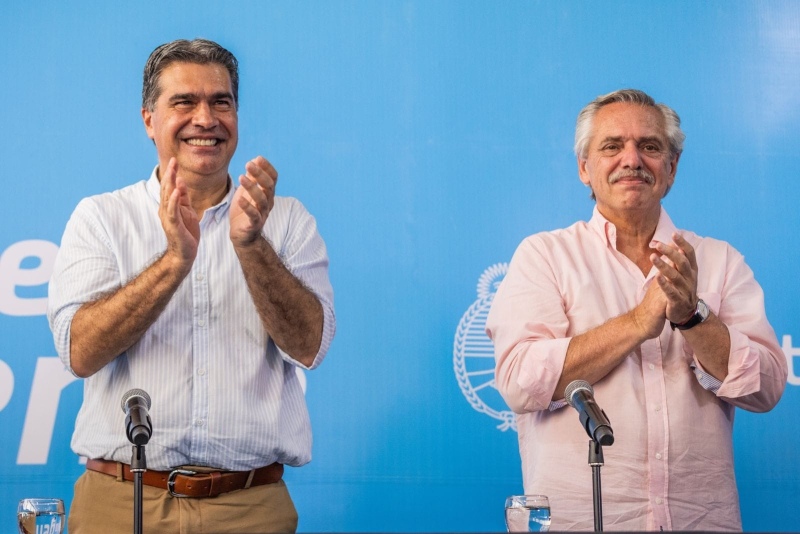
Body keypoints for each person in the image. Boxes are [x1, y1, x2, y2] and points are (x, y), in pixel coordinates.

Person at [47, 38, 335, 533]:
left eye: (221, 102)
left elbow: (310, 346)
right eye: (184, 102)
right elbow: (80, 351)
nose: (206, 118)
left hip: (250, 507)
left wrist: (251, 246)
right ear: (149, 120)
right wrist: (175, 261)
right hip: (122, 500)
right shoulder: (101, 217)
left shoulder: (286, 221)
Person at [486, 89, 787, 531]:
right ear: (584, 168)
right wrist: (636, 323)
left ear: (671, 168)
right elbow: (519, 380)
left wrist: (691, 317)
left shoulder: (720, 260)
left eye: (649, 146)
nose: (632, 159)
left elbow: (766, 387)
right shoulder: (544, 256)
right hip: (579, 521)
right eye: (612, 146)